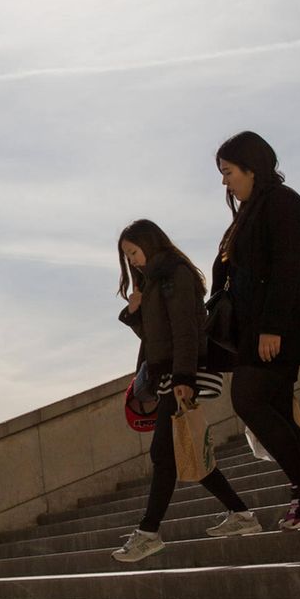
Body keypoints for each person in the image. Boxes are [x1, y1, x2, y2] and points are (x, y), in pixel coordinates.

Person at [212, 131, 300, 530]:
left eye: (229, 172)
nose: (225, 182)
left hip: (277, 331)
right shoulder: (248, 213)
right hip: (254, 332)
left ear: (252, 168)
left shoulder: (285, 204)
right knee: (277, 414)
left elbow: (289, 268)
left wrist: (271, 328)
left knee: (249, 401)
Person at [111, 219, 261, 563]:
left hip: (180, 376)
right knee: (183, 450)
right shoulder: (152, 282)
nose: (131, 260)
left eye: (133, 252)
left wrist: (184, 379)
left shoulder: (175, 275)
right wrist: (135, 314)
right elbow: (155, 339)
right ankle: (240, 514)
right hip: (169, 375)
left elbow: (184, 330)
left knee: (165, 454)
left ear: (149, 243)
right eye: (127, 255)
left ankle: (149, 532)